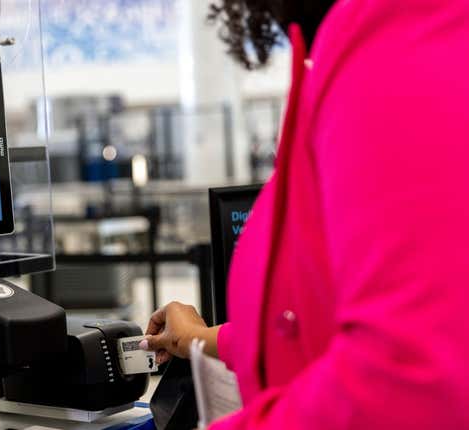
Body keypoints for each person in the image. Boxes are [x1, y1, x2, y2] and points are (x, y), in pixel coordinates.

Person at [140, 0, 469, 428]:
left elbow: (410, 382)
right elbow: (312, 323)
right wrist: (202, 339)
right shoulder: (346, 47)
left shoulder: (393, 34)